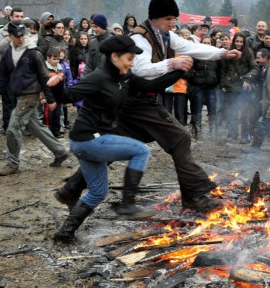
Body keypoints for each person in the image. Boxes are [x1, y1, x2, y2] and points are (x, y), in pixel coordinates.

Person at [55, 0, 241, 214]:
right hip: (139, 102)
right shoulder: (140, 37)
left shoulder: (164, 35)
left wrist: (222, 53)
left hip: (137, 102)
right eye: (169, 19)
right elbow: (140, 70)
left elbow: (192, 47)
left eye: (174, 18)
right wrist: (172, 64)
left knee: (116, 143)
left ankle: (71, 188)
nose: (173, 23)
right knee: (180, 138)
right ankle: (194, 196)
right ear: (156, 18)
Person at [48, 35, 184, 243]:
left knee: (98, 192)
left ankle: (64, 234)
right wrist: (56, 85)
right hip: (87, 139)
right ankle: (127, 204)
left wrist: (180, 71)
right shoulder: (98, 77)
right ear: (115, 57)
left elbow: (154, 86)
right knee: (141, 150)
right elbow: (67, 96)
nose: (131, 63)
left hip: (94, 140)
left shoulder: (126, 78)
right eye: (129, 59)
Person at [0, 22, 69, 175]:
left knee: (13, 128)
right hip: (18, 95)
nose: (21, 39)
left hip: (30, 96)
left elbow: (44, 77)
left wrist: (50, 100)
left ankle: (12, 163)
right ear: (10, 36)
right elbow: (2, 79)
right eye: (17, 36)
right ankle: (60, 151)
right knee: (37, 127)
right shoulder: (7, 54)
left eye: (23, 35)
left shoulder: (33, 53)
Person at [220, 32, 259, 141]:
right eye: (237, 41)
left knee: (245, 112)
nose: (239, 43)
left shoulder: (248, 52)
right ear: (234, 41)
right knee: (231, 110)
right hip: (231, 85)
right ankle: (232, 133)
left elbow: (255, 68)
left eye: (241, 41)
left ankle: (244, 135)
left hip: (244, 86)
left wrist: (247, 79)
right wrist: (223, 84)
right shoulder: (229, 52)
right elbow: (223, 70)